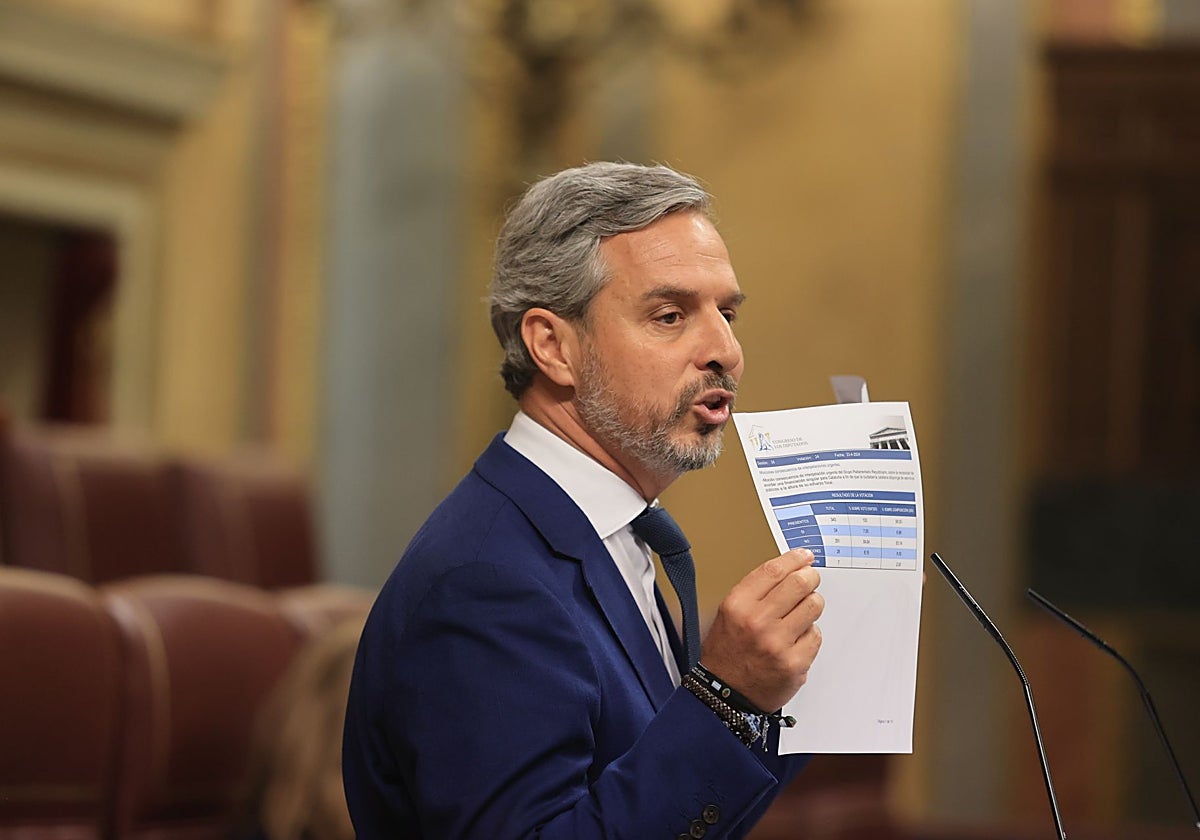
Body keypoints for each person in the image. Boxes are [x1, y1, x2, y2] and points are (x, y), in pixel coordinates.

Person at [343, 162, 825, 838]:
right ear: (553, 346)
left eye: (728, 312)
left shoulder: (606, 532)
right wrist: (726, 696)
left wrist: (837, 647)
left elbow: (660, 796)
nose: (725, 349)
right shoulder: (485, 581)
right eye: (670, 315)